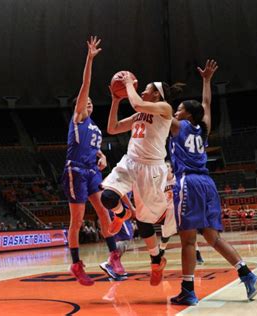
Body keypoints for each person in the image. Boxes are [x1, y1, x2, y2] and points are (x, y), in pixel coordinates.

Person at [168, 60, 257, 305]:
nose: (176, 112)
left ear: (187, 114)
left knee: (188, 240)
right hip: (208, 184)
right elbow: (206, 104)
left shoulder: (179, 126)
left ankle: (188, 290)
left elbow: (158, 110)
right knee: (213, 238)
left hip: (188, 181)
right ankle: (247, 274)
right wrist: (206, 81)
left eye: (179, 109)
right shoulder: (203, 128)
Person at [101, 71, 183, 286]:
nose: (141, 89)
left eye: (147, 88)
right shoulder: (139, 114)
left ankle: (156, 259)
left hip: (151, 169)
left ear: (157, 94)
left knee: (145, 220)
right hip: (130, 162)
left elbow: (137, 104)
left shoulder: (165, 109)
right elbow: (112, 128)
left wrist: (127, 84)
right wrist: (115, 101)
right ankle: (122, 213)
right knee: (108, 197)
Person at [62, 36, 124, 286]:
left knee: (104, 212)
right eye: (83, 101)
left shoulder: (96, 129)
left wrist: (103, 156)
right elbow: (85, 84)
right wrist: (89, 58)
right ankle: (76, 264)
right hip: (75, 171)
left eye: (89, 103)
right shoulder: (78, 119)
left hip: (91, 172)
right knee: (76, 220)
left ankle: (113, 255)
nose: (86, 103)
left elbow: (96, 151)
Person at [158, 161, 205, 265]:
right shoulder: (160, 182)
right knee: (165, 235)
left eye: (167, 166)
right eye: (163, 167)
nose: (165, 169)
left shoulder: (178, 179)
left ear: (171, 168)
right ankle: (161, 251)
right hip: (167, 211)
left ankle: (197, 254)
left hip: (180, 209)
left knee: (189, 231)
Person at [100, 192, 135, 280]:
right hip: (118, 209)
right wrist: (131, 207)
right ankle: (109, 264)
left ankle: (110, 265)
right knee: (126, 238)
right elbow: (121, 191)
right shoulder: (124, 179)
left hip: (121, 208)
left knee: (126, 237)